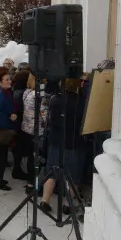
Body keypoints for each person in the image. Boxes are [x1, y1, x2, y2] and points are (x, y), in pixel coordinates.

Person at [40, 79, 87, 214]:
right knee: (74, 175)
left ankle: (45, 201)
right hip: (74, 142)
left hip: (56, 140)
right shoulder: (81, 101)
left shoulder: (55, 99)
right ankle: (67, 205)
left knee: (52, 172)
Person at [11, 70, 31, 181]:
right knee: (20, 148)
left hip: (17, 123)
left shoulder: (16, 89)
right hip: (21, 124)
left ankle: (17, 169)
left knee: (18, 148)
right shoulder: (22, 93)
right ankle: (17, 170)